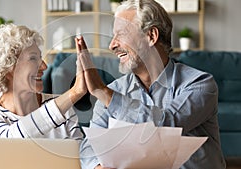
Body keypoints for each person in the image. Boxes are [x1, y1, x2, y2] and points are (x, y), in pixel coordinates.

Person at [76, 0, 226, 168]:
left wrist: (104, 93)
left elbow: (166, 126)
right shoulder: (114, 91)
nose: (112, 45)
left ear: (151, 36)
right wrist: (97, 166)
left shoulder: (199, 84)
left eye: (121, 34)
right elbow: (89, 147)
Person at [0, 23, 86, 139]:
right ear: (7, 67)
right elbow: (9, 140)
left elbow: (79, 154)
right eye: (33, 58)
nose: (44, 66)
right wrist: (74, 93)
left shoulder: (62, 107)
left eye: (40, 58)